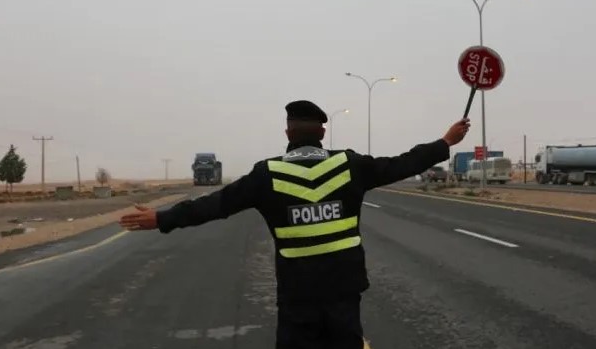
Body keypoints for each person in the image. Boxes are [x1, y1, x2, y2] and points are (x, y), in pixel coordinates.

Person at [120, 100, 470, 349]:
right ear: (322, 131)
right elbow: (403, 164)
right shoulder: (350, 165)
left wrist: (162, 218)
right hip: (343, 287)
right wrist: (445, 142)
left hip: (298, 292)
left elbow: (216, 205)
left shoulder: (267, 174)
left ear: (288, 132)